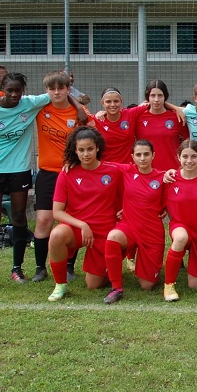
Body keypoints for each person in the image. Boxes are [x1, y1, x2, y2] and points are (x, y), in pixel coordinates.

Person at [0, 70, 89, 283]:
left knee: (71, 220)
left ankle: (68, 266)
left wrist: (79, 107)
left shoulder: (79, 112)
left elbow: (93, 132)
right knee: (43, 220)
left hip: (72, 173)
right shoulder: (38, 108)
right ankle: (40, 267)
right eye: (52, 88)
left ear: (68, 89)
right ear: (46, 90)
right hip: (46, 173)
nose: (56, 92)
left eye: (62, 88)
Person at [0, 72, 51, 294]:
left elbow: (56, 92)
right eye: (10, 90)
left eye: (18, 90)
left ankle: (17, 269)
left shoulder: (28, 104)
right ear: (2, 90)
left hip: (19, 169)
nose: (15, 94)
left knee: (18, 217)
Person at [46, 127, 124, 301]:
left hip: (104, 231)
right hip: (78, 229)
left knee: (93, 285)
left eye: (90, 149)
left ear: (97, 148)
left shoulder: (114, 170)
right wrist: (82, 224)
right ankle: (60, 285)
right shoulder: (66, 173)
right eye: (81, 150)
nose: (86, 154)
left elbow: (140, 172)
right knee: (57, 234)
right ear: (75, 150)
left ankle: (115, 257)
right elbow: (57, 212)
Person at [102, 140, 168, 304]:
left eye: (146, 154)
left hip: (151, 232)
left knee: (147, 285)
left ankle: (142, 266)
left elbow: (179, 187)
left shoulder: (163, 177)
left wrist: (165, 207)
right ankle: (116, 287)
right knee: (113, 237)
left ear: (153, 155)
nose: (142, 158)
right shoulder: (126, 170)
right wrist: (72, 165)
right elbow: (99, 164)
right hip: (128, 227)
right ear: (132, 157)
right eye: (138, 155)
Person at [160, 140, 197, 302]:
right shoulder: (170, 179)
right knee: (180, 237)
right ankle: (169, 285)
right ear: (178, 157)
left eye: (193, 156)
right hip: (180, 227)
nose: (189, 161)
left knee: (194, 284)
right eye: (185, 156)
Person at [134, 80, 189, 171]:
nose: (156, 100)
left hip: (172, 171)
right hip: (147, 172)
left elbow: (188, 141)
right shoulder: (138, 118)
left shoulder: (177, 116)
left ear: (165, 97)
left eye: (160, 95)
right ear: (148, 97)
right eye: (153, 96)